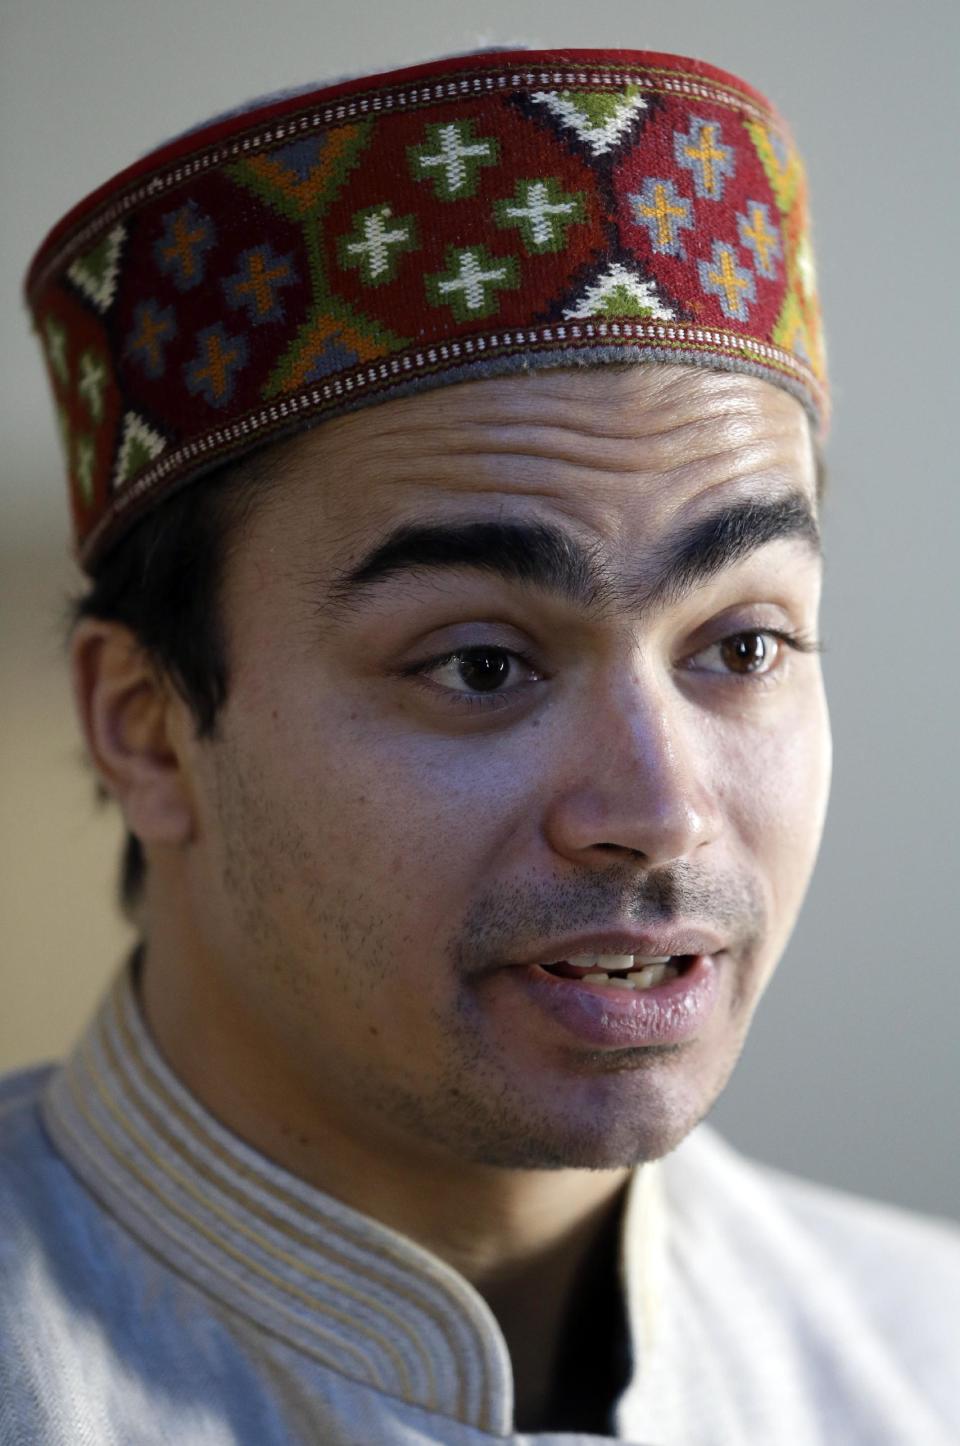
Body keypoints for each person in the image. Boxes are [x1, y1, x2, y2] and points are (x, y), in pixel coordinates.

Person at [3, 45, 957, 1445]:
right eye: (483, 663)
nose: (659, 807)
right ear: (148, 728)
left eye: (742, 646)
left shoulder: (925, 1358)